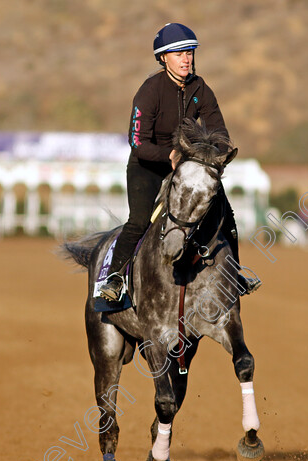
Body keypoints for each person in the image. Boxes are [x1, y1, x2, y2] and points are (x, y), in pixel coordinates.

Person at [98, 22, 261, 302]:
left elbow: (219, 132)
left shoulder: (201, 88)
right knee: (139, 222)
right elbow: (137, 142)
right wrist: (169, 155)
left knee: (227, 216)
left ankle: (234, 274)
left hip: (188, 167)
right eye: (178, 54)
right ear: (163, 58)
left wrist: (214, 156)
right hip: (147, 165)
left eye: (189, 52)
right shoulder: (149, 91)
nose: (186, 59)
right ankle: (114, 279)